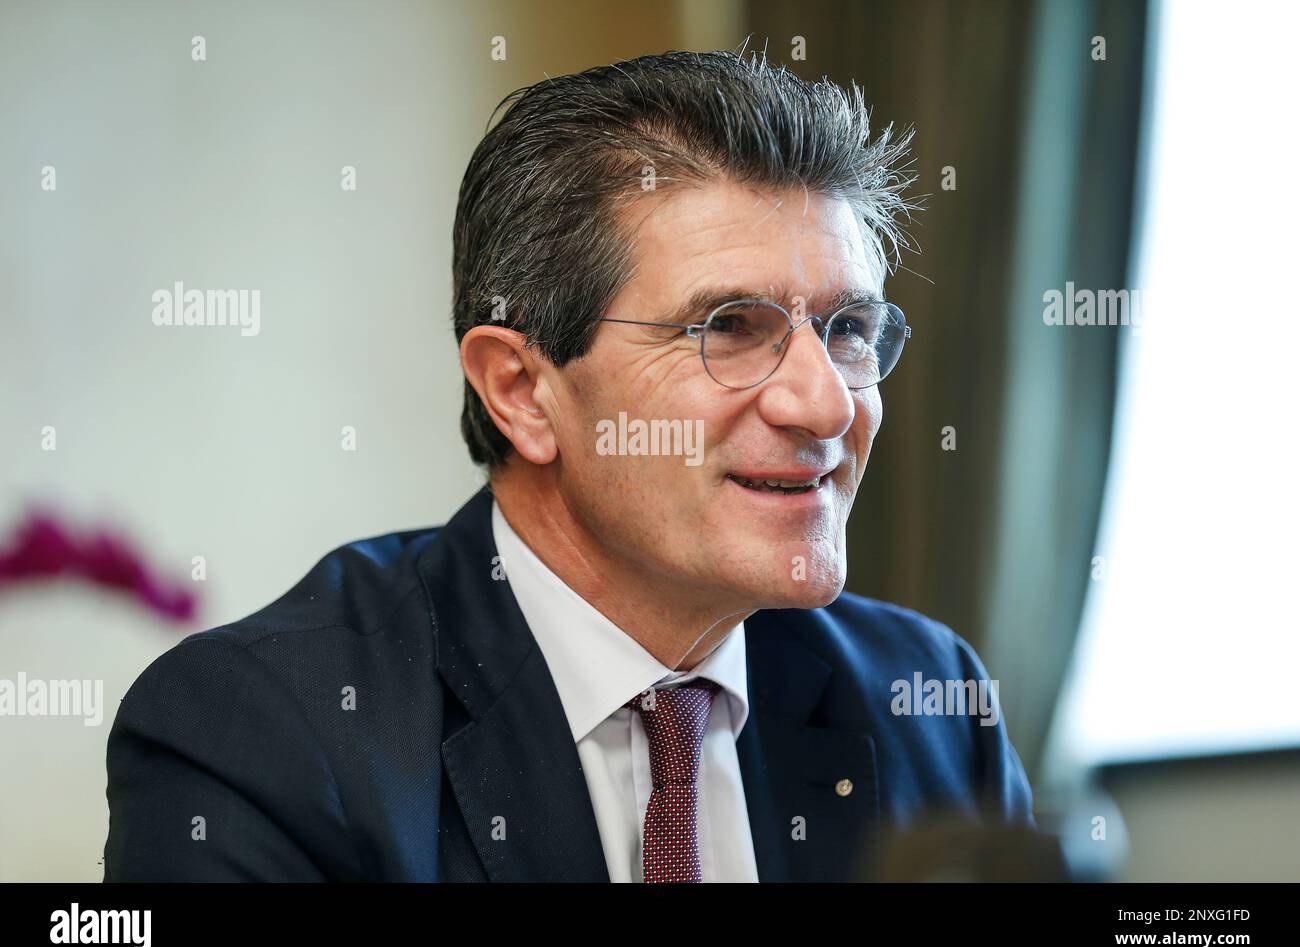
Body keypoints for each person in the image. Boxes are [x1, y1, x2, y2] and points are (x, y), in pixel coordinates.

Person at [104, 49, 1033, 883]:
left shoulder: (933, 701)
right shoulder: (262, 734)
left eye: (850, 331)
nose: (826, 403)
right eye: (729, 330)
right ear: (521, 389)